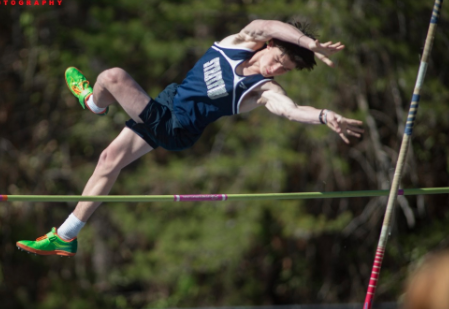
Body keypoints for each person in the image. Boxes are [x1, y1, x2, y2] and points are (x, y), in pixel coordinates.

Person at [16, 19, 364, 256]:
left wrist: (323, 116)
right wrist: (308, 43)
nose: (275, 70)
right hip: (168, 102)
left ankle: (93, 104)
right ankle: (66, 236)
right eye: (277, 60)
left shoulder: (262, 89)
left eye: (285, 70)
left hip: (178, 129)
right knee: (108, 160)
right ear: (270, 44)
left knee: (112, 76)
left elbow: (289, 109)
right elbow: (267, 23)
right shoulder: (238, 42)